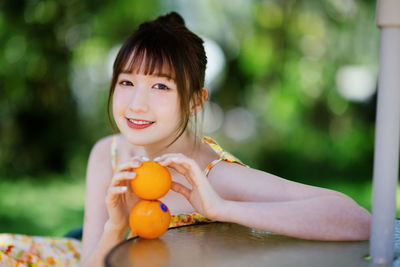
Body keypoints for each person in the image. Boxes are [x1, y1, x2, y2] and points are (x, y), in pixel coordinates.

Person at [0, 11, 370, 267]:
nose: (137, 103)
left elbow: (357, 220)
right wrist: (116, 226)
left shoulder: (211, 174)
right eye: (127, 82)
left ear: (195, 101)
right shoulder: (108, 154)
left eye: (160, 85)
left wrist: (220, 209)